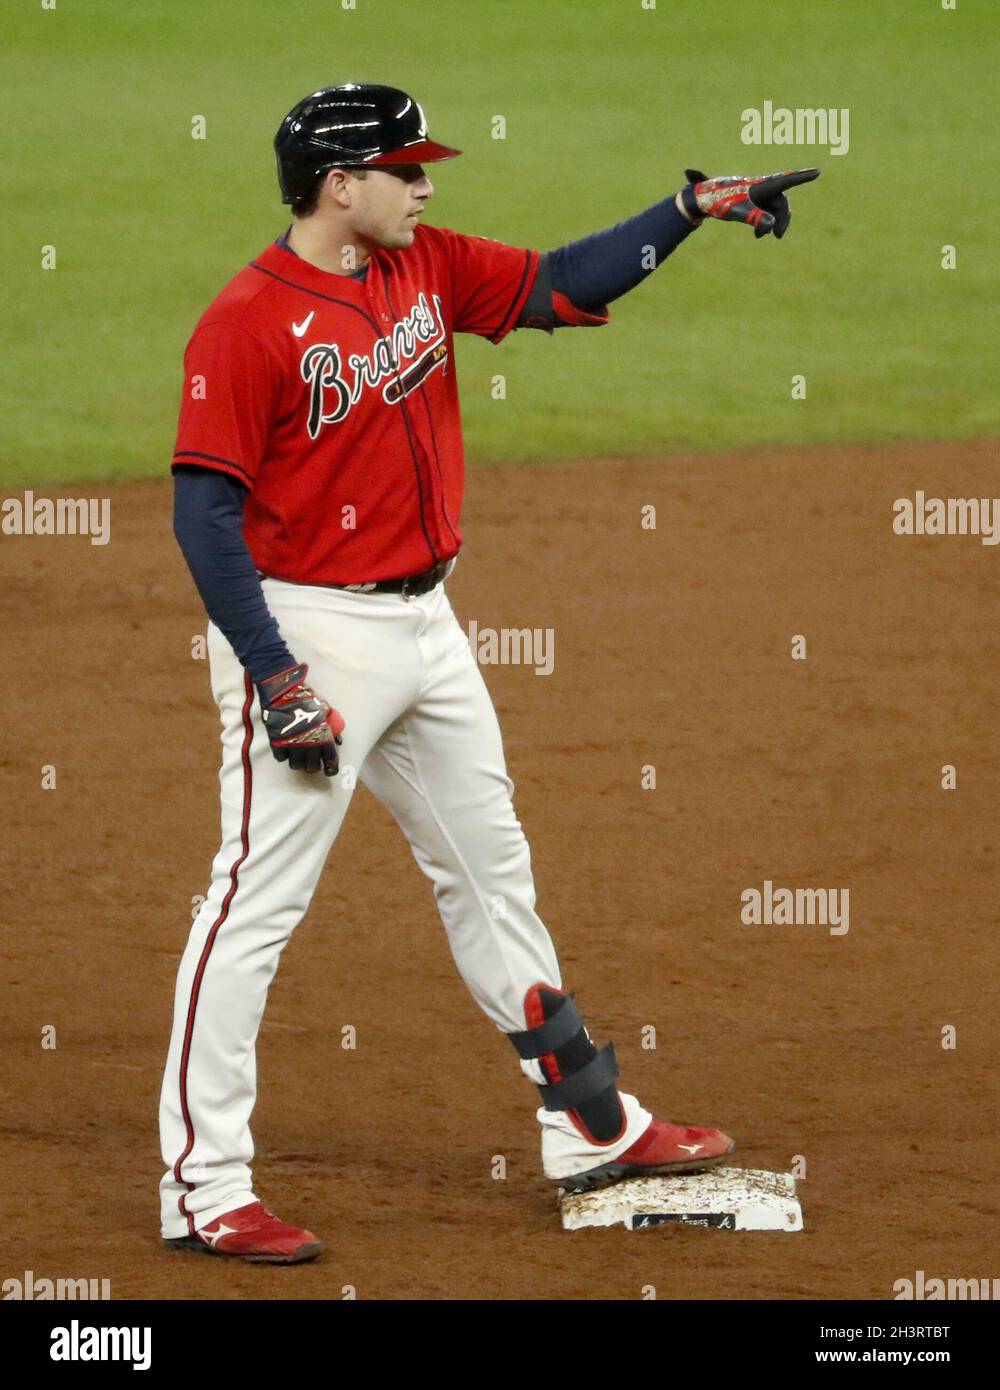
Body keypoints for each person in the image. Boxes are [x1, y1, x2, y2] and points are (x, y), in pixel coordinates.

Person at [159, 82, 818, 1264]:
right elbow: (203, 514)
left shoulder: (425, 266)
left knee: (490, 867)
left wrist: (686, 209)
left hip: (428, 626)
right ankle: (202, 1183)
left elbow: (561, 285)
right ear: (337, 184)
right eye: (404, 169)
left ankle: (591, 1124)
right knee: (252, 907)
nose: (426, 185)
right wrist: (276, 676)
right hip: (308, 629)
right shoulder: (247, 322)